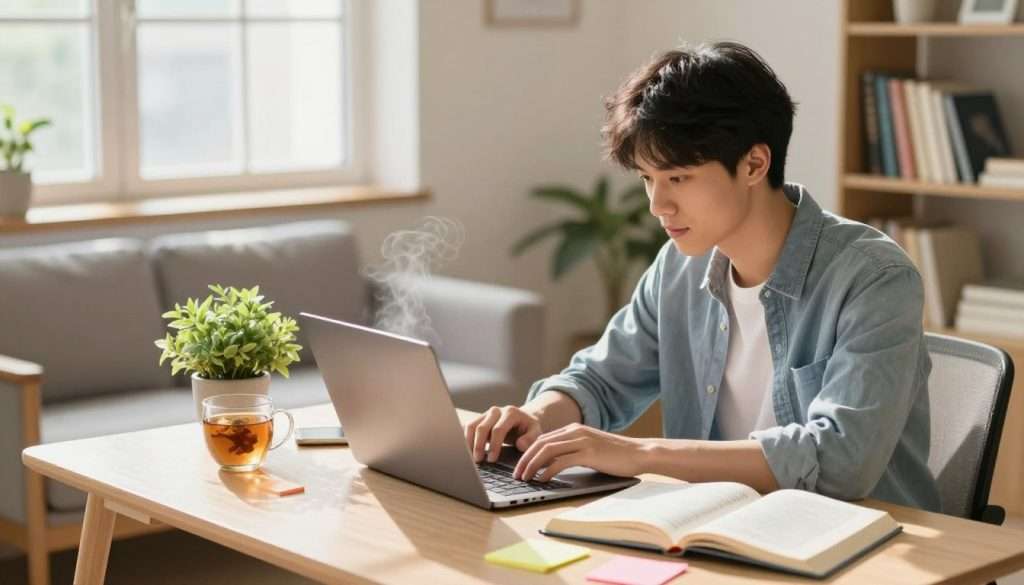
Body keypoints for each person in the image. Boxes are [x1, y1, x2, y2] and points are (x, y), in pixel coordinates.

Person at [465, 41, 940, 511]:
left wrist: (641, 454)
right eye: (647, 178)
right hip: (718, 527)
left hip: (860, 540)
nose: (657, 205)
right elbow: (602, 379)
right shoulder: (678, 266)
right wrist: (535, 416)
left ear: (754, 164)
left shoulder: (874, 278)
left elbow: (840, 460)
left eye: (678, 178)